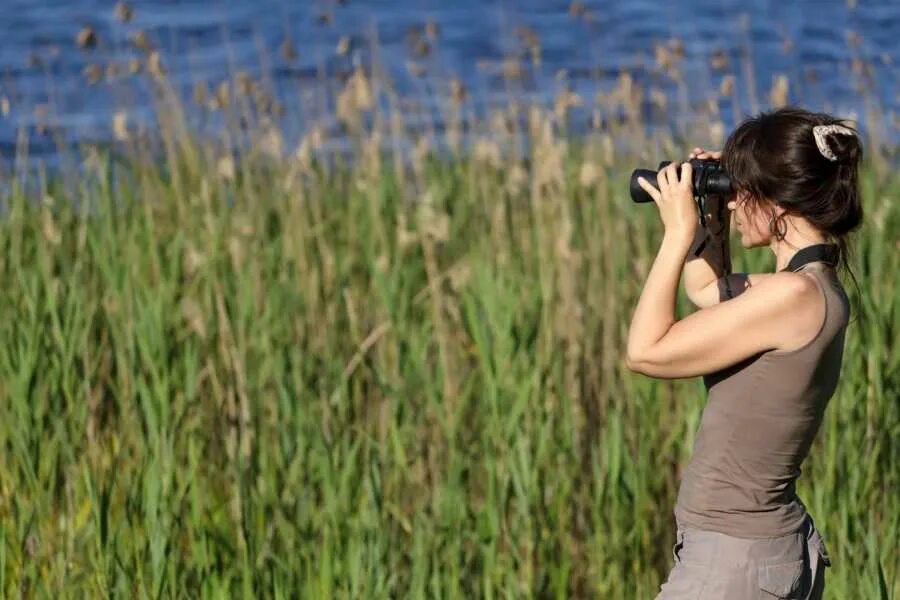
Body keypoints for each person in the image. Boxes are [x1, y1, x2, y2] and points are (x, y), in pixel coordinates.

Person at [625, 106, 864, 599]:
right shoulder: (810, 288)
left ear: (777, 204)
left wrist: (676, 235)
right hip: (756, 552)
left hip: (736, 563)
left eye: (742, 194)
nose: (734, 206)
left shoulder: (792, 298)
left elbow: (645, 352)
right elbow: (709, 292)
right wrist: (708, 212)